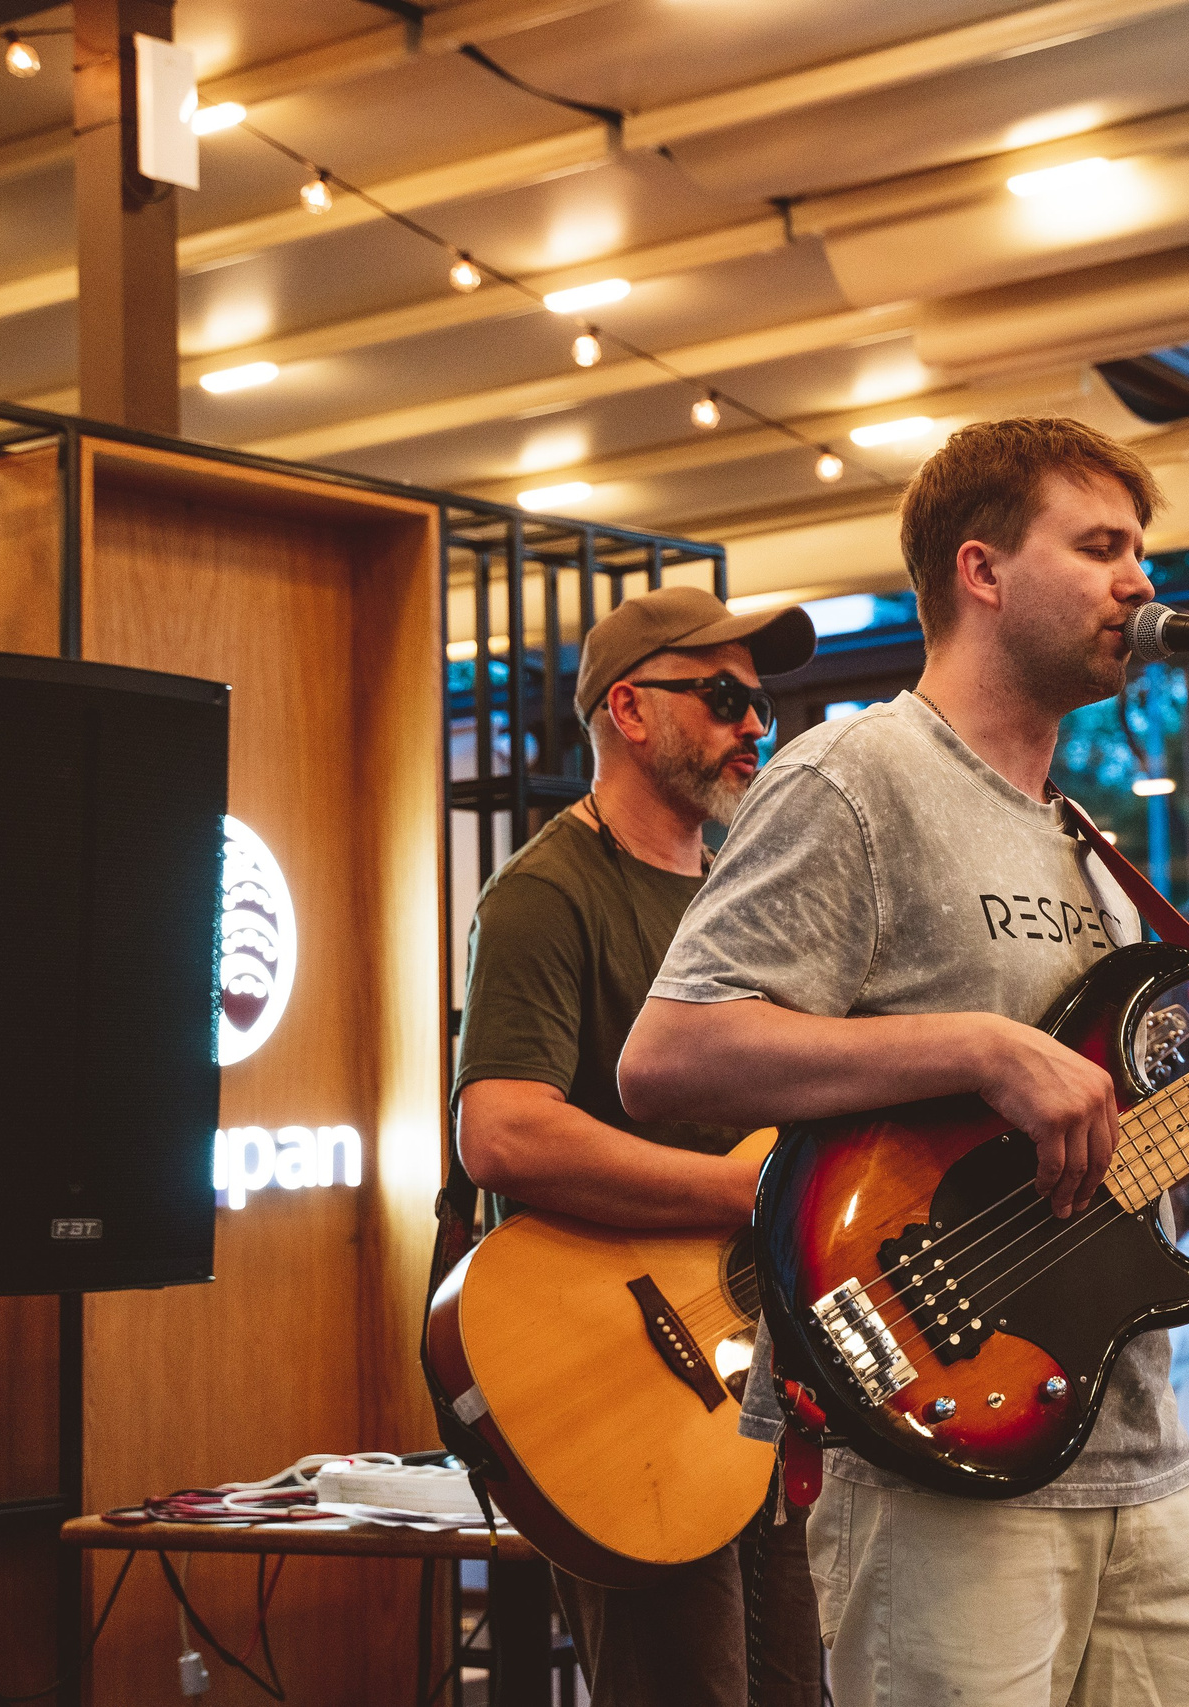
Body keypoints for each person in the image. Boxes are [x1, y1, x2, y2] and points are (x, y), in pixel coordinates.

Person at [620, 416, 1189, 1707]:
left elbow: (1114, 1145)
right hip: (934, 1445)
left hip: (1137, 1450)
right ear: (981, 570)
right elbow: (667, 1057)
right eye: (1101, 544)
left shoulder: (1088, 846)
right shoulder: (856, 775)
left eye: (1142, 549)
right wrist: (981, 1047)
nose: (1139, 581)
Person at [453, 583, 821, 1707]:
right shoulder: (546, 893)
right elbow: (502, 1130)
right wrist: (735, 1192)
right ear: (629, 709)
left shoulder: (734, 897)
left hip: (760, 1373)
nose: (753, 725)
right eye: (720, 697)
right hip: (629, 1377)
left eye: (758, 704)